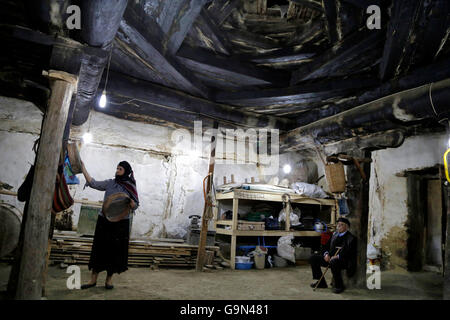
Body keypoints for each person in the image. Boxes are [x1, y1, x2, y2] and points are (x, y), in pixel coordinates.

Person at [80, 160, 139, 290]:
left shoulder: (130, 187)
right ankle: (93, 279)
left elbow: (136, 205)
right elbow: (93, 183)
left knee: (114, 252)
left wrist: (132, 204)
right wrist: (83, 168)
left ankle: (109, 280)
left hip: (121, 223)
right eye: (117, 168)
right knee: (99, 249)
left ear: (126, 172)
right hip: (105, 220)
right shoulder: (110, 183)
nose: (117, 171)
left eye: (120, 169)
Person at [308, 217, 356, 294]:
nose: (339, 226)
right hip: (330, 259)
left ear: (346, 227)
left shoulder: (351, 238)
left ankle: (339, 285)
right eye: (338, 225)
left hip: (343, 261)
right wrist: (326, 254)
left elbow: (350, 253)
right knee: (313, 258)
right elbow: (325, 247)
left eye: (341, 225)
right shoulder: (334, 235)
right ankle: (321, 282)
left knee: (334, 262)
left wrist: (338, 256)